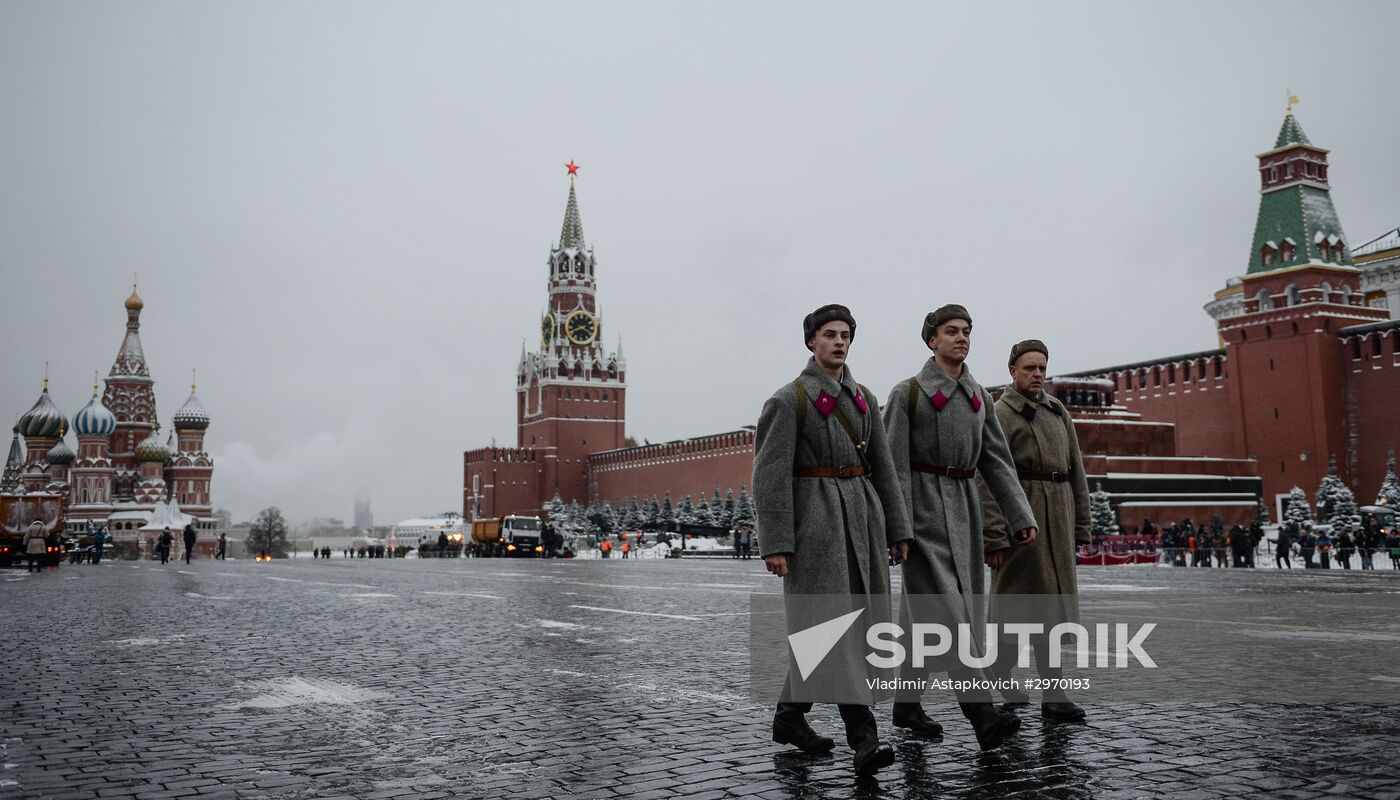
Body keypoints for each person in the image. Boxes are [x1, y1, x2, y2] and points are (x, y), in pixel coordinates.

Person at [755, 303, 912, 776]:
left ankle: (789, 717)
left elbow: (883, 466)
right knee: (829, 628)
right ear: (811, 342)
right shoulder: (790, 400)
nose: (838, 342)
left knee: (844, 629)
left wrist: (898, 527)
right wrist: (776, 541)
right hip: (817, 526)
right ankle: (864, 739)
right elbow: (769, 476)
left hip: (862, 521)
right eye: (829, 334)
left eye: (845, 334)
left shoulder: (864, 397)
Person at [883, 305, 1031, 750]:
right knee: (949, 615)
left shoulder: (979, 398)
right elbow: (891, 468)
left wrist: (1019, 514)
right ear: (932, 340)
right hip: (922, 515)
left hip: (964, 513)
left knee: (926, 618)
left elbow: (996, 461)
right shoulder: (907, 394)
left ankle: (906, 704)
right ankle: (982, 714)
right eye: (951, 332)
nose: (962, 338)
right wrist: (898, 527)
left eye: (966, 331)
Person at [979, 339, 1090, 723]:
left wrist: (1081, 525)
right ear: (1013, 371)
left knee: (1054, 612)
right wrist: (993, 534)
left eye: (1042, 367)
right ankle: (999, 670)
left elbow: (1076, 471)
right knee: (1017, 615)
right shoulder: (999, 414)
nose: (1038, 374)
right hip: (1020, 524)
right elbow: (987, 477)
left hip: (1056, 520)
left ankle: (1054, 694)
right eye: (1029, 368)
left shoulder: (1058, 411)